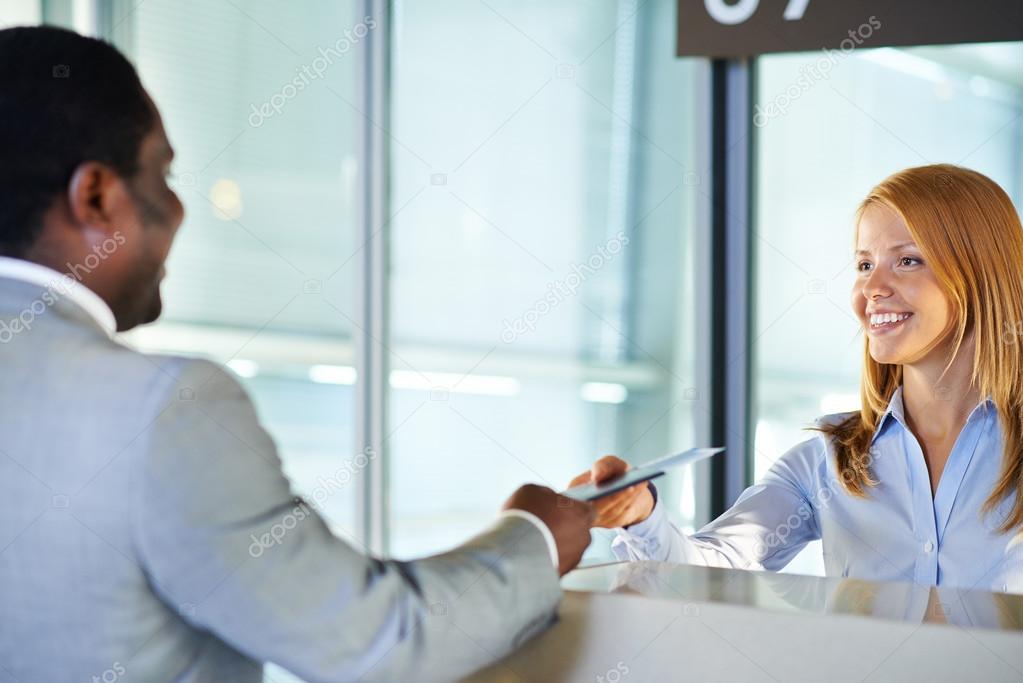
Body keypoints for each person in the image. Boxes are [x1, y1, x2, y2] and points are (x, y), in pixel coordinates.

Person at [0, 26, 595, 682]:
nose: (177, 207)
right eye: (163, 174)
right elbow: (376, 644)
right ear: (96, 197)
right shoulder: (156, 410)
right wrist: (534, 536)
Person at [573, 163, 1023, 594]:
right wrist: (641, 514)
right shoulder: (827, 461)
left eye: (907, 261)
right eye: (865, 265)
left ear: (980, 273)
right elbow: (706, 570)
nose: (871, 288)